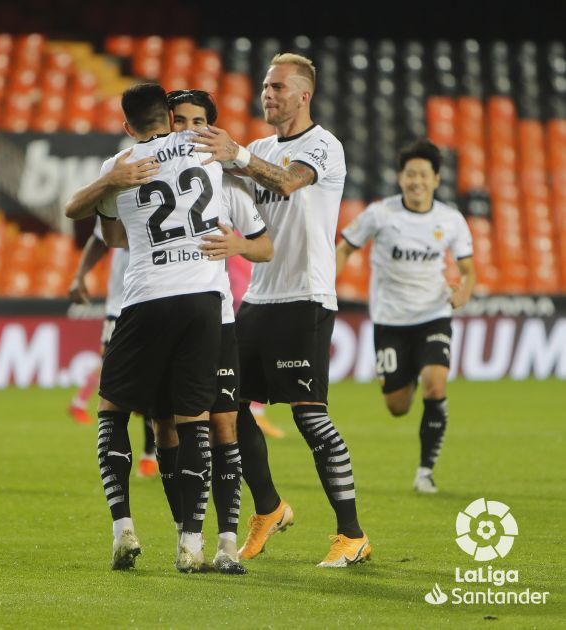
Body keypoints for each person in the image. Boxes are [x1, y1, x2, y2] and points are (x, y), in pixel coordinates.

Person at [65, 83, 263, 573]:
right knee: (191, 420)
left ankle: (123, 529)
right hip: (202, 302)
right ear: (171, 118)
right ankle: (192, 543)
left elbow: (85, 216)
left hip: (147, 299)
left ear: (129, 125)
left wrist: (113, 181)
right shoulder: (209, 148)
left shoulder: (123, 161)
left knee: (113, 410)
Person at [194, 53, 371, 567]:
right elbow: (243, 206)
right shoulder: (261, 148)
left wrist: (238, 157)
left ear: (304, 95)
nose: (267, 95)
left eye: (277, 87)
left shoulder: (322, 146)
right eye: (264, 87)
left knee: (309, 416)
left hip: (305, 296)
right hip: (260, 299)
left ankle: (351, 533)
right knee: (224, 405)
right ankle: (269, 508)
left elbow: (288, 182)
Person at [151, 89, 273, 575]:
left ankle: (225, 544)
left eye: (198, 121)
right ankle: (187, 533)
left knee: (223, 425)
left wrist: (237, 244)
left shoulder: (227, 183)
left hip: (217, 319)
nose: (187, 129)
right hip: (161, 318)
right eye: (178, 120)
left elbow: (265, 248)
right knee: (168, 432)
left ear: (212, 129)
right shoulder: (145, 174)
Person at [336, 138, 475, 494]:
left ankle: (425, 472)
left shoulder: (451, 219)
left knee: (436, 384)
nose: (416, 181)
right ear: (400, 178)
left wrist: (463, 290)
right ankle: (409, 372)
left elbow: (468, 268)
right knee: (397, 406)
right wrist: (326, 284)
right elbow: (345, 247)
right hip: (390, 321)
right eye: (410, 174)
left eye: (423, 175)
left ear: (436, 179)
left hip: (433, 314)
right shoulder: (380, 214)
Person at [67, 223, 158, 477]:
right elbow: (98, 237)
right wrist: (79, 275)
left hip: (154, 302)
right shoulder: (118, 195)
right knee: (113, 378)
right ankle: (119, 459)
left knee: (154, 380)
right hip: (118, 306)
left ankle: (150, 453)